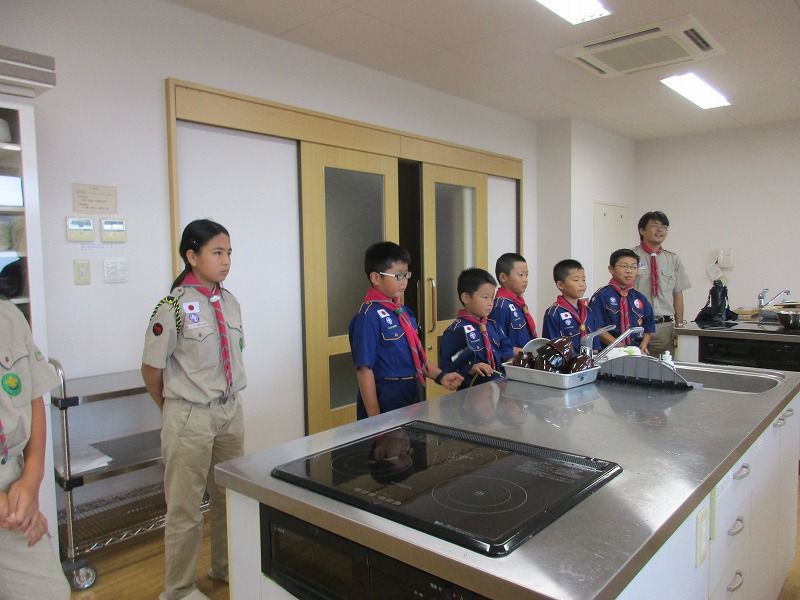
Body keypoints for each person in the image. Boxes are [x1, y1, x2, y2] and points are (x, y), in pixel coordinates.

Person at [141, 219, 246, 600]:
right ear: (192, 255)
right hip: (190, 415)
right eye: (217, 252)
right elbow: (151, 369)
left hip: (230, 411)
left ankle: (226, 566)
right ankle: (179, 589)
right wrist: (173, 408)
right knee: (185, 508)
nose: (226, 260)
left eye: (229, 252)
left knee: (229, 497)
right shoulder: (172, 307)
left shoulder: (229, 301)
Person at [0, 300, 70, 600]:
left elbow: (34, 398)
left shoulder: (9, 317)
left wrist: (31, 479)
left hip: (10, 479)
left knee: (49, 591)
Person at [349, 242, 462, 420]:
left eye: (406, 275)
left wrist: (440, 376)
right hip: (386, 393)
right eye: (398, 275)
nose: (404, 281)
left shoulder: (403, 312)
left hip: (411, 389)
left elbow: (415, 357)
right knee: (390, 438)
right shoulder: (368, 316)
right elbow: (364, 370)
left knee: (413, 437)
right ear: (375, 278)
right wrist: (374, 419)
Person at [440, 268, 514, 389]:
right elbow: (447, 365)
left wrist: (510, 359)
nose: (490, 303)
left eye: (492, 298)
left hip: (498, 386)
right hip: (471, 390)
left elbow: (505, 345)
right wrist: (470, 368)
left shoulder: (492, 325)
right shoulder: (456, 330)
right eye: (485, 297)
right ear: (466, 298)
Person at [632, 211, 691, 356]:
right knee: (634, 367)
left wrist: (679, 326)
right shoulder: (630, 257)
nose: (660, 230)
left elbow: (678, 294)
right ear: (642, 230)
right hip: (636, 326)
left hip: (664, 328)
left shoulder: (673, 259)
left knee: (665, 367)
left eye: (664, 227)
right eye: (654, 225)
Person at [589, 249, 656, 354]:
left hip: (635, 351)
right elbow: (597, 328)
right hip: (609, 352)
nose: (629, 271)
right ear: (611, 269)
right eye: (624, 266)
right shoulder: (601, 295)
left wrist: (643, 345)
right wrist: (621, 347)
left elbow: (648, 326)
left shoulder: (640, 298)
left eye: (634, 267)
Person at [541, 259, 600, 354]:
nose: (582, 284)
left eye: (583, 279)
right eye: (576, 280)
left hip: (590, 361)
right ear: (560, 285)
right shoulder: (554, 313)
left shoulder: (587, 311)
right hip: (566, 362)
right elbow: (552, 349)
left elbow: (595, 346)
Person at [489, 252, 538, 353]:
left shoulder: (519, 303)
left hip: (526, 359)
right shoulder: (500, 306)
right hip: (513, 361)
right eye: (521, 275)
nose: (525, 280)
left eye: (526, 275)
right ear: (503, 277)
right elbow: (497, 344)